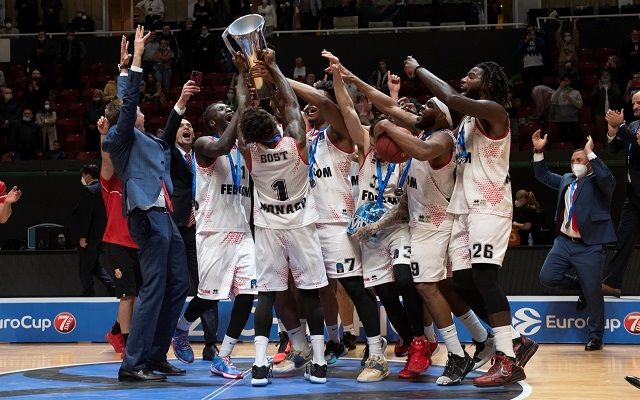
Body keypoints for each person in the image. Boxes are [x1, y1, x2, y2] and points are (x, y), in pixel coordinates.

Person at [403, 56, 526, 386]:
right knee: (459, 284)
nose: (465, 77)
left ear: (487, 83)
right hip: (462, 208)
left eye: (472, 75)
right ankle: (514, 339)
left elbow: (451, 98)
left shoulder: (495, 112)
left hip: (489, 205)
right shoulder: (467, 122)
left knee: (485, 278)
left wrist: (419, 70)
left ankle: (507, 358)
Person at [283, 52, 392, 382]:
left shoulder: (342, 132)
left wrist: (278, 73)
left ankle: (376, 354)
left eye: (318, 100)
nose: (311, 104)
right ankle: (320, 346)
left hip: (337, 224)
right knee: (312, 292)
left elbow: (322, 101)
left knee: (355, 289)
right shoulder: (312, 137)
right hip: (308, 224)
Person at [102, 26, 189, 382]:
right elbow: (128, 102)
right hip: (146, 215)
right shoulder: (120, 137)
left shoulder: (147, 141)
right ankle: (132, 363)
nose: (139, 112)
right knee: (153, 288)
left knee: (178, 284)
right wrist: (135, 61)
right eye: (134, 110)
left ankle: (154, 355)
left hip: (164, 216)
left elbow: (166, 142)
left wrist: (179, 106)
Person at [240, 48, 328, 386]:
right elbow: (291, 104)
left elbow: (243, 115)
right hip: (301, 225)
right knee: (310, 294)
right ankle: (318, 363)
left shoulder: (250, 152)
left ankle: (259, 365)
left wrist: (243, 77)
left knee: (267, 294)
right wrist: (274, 68)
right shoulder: (295, 144)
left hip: (268, 229)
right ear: (274, 126)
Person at [171, 63, 256, 380]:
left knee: (248, 293)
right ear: (211, 121)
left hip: (243, 232)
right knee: (208, 296)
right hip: (213, 232)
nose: (228, 109)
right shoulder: (204, 144)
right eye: (223, 109)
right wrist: (242, 105)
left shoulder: (244, 149)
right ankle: (182, 328)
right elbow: (222, 145)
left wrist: (249, 87)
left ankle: (225, 356)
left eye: (229, 107)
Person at [533, 132, 616, 351]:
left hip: (590, 245)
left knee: (593, 294)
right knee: (547, 277)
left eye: (579, 159)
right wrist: (539, 151)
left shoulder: (599, 182)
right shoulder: (567, 179)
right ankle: (584, 286)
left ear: (589, 163)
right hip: (564, 242)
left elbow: (608, 180)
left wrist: (590, 152)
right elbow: (542, 174)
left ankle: (596, 336)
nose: (574, 163)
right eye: (572, 160)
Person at [159, 80, 221, 363]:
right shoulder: (170, 154)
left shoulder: (205, 154)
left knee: (208, 286)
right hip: (176, 227)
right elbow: (168, 131)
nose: (187, 128)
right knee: (174, 285)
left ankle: (211, 344)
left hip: (204, 228)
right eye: (182, 126)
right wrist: (182, 102)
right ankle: (167, 339)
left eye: (191, 126)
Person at [602, 97, 640, 297]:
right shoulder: (633, 125)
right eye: (633, 103)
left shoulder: (629, 126)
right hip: (633, 195)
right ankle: (612, 283)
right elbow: (612, 149)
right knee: (623, 239)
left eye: (639, 103)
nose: (635, 106)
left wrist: (621, 125)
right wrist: (612, 131)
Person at [74, 164, 116, 297]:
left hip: (89, 237)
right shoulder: (105, 189)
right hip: (101, 235)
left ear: (87, 175)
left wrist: (83, 236)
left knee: (85, 268)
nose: (82, 179)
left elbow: (86, 216)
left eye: (83, 176)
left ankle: (88, 293)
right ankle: (113, 288)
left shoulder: (89, 190)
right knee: (95, 266)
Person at [550, 74, 583, 147]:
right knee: (563, 142)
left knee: (575, 142)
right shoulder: (556, 92)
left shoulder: (576, 92)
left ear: (570, 82)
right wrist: (560, 88)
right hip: (560, 121)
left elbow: (580, 106)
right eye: (563, 81)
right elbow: (552, 101)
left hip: (573, 121)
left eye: (566, 81)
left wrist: (569, 97)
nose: (565, 82)